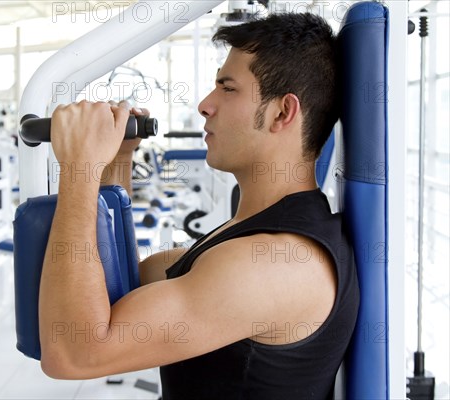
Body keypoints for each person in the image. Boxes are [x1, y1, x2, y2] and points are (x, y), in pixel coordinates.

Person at [38, 12, 359, 399]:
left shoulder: (278, 263)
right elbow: (120, 288)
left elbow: (74, 353)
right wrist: (114, 163)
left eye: (228, 88)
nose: (206, 105)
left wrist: (79, 168)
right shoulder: (254, 237)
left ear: (282, 112)